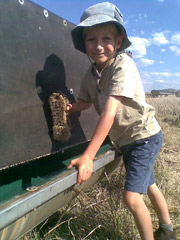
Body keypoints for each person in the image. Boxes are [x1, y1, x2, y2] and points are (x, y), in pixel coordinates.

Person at [67, 2, 176, 240]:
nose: (98, 46)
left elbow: (108, 113)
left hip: (143, 136)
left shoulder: (123, 65)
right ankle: (167, 229)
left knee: (131, 197)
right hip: (126, 140)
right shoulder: (91, 74)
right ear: (84, 44)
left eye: (106, 38)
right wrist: (70, 107)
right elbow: (85, 101)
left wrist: (88, 155)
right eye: (91, 39)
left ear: (118, 43)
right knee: (148, 185)